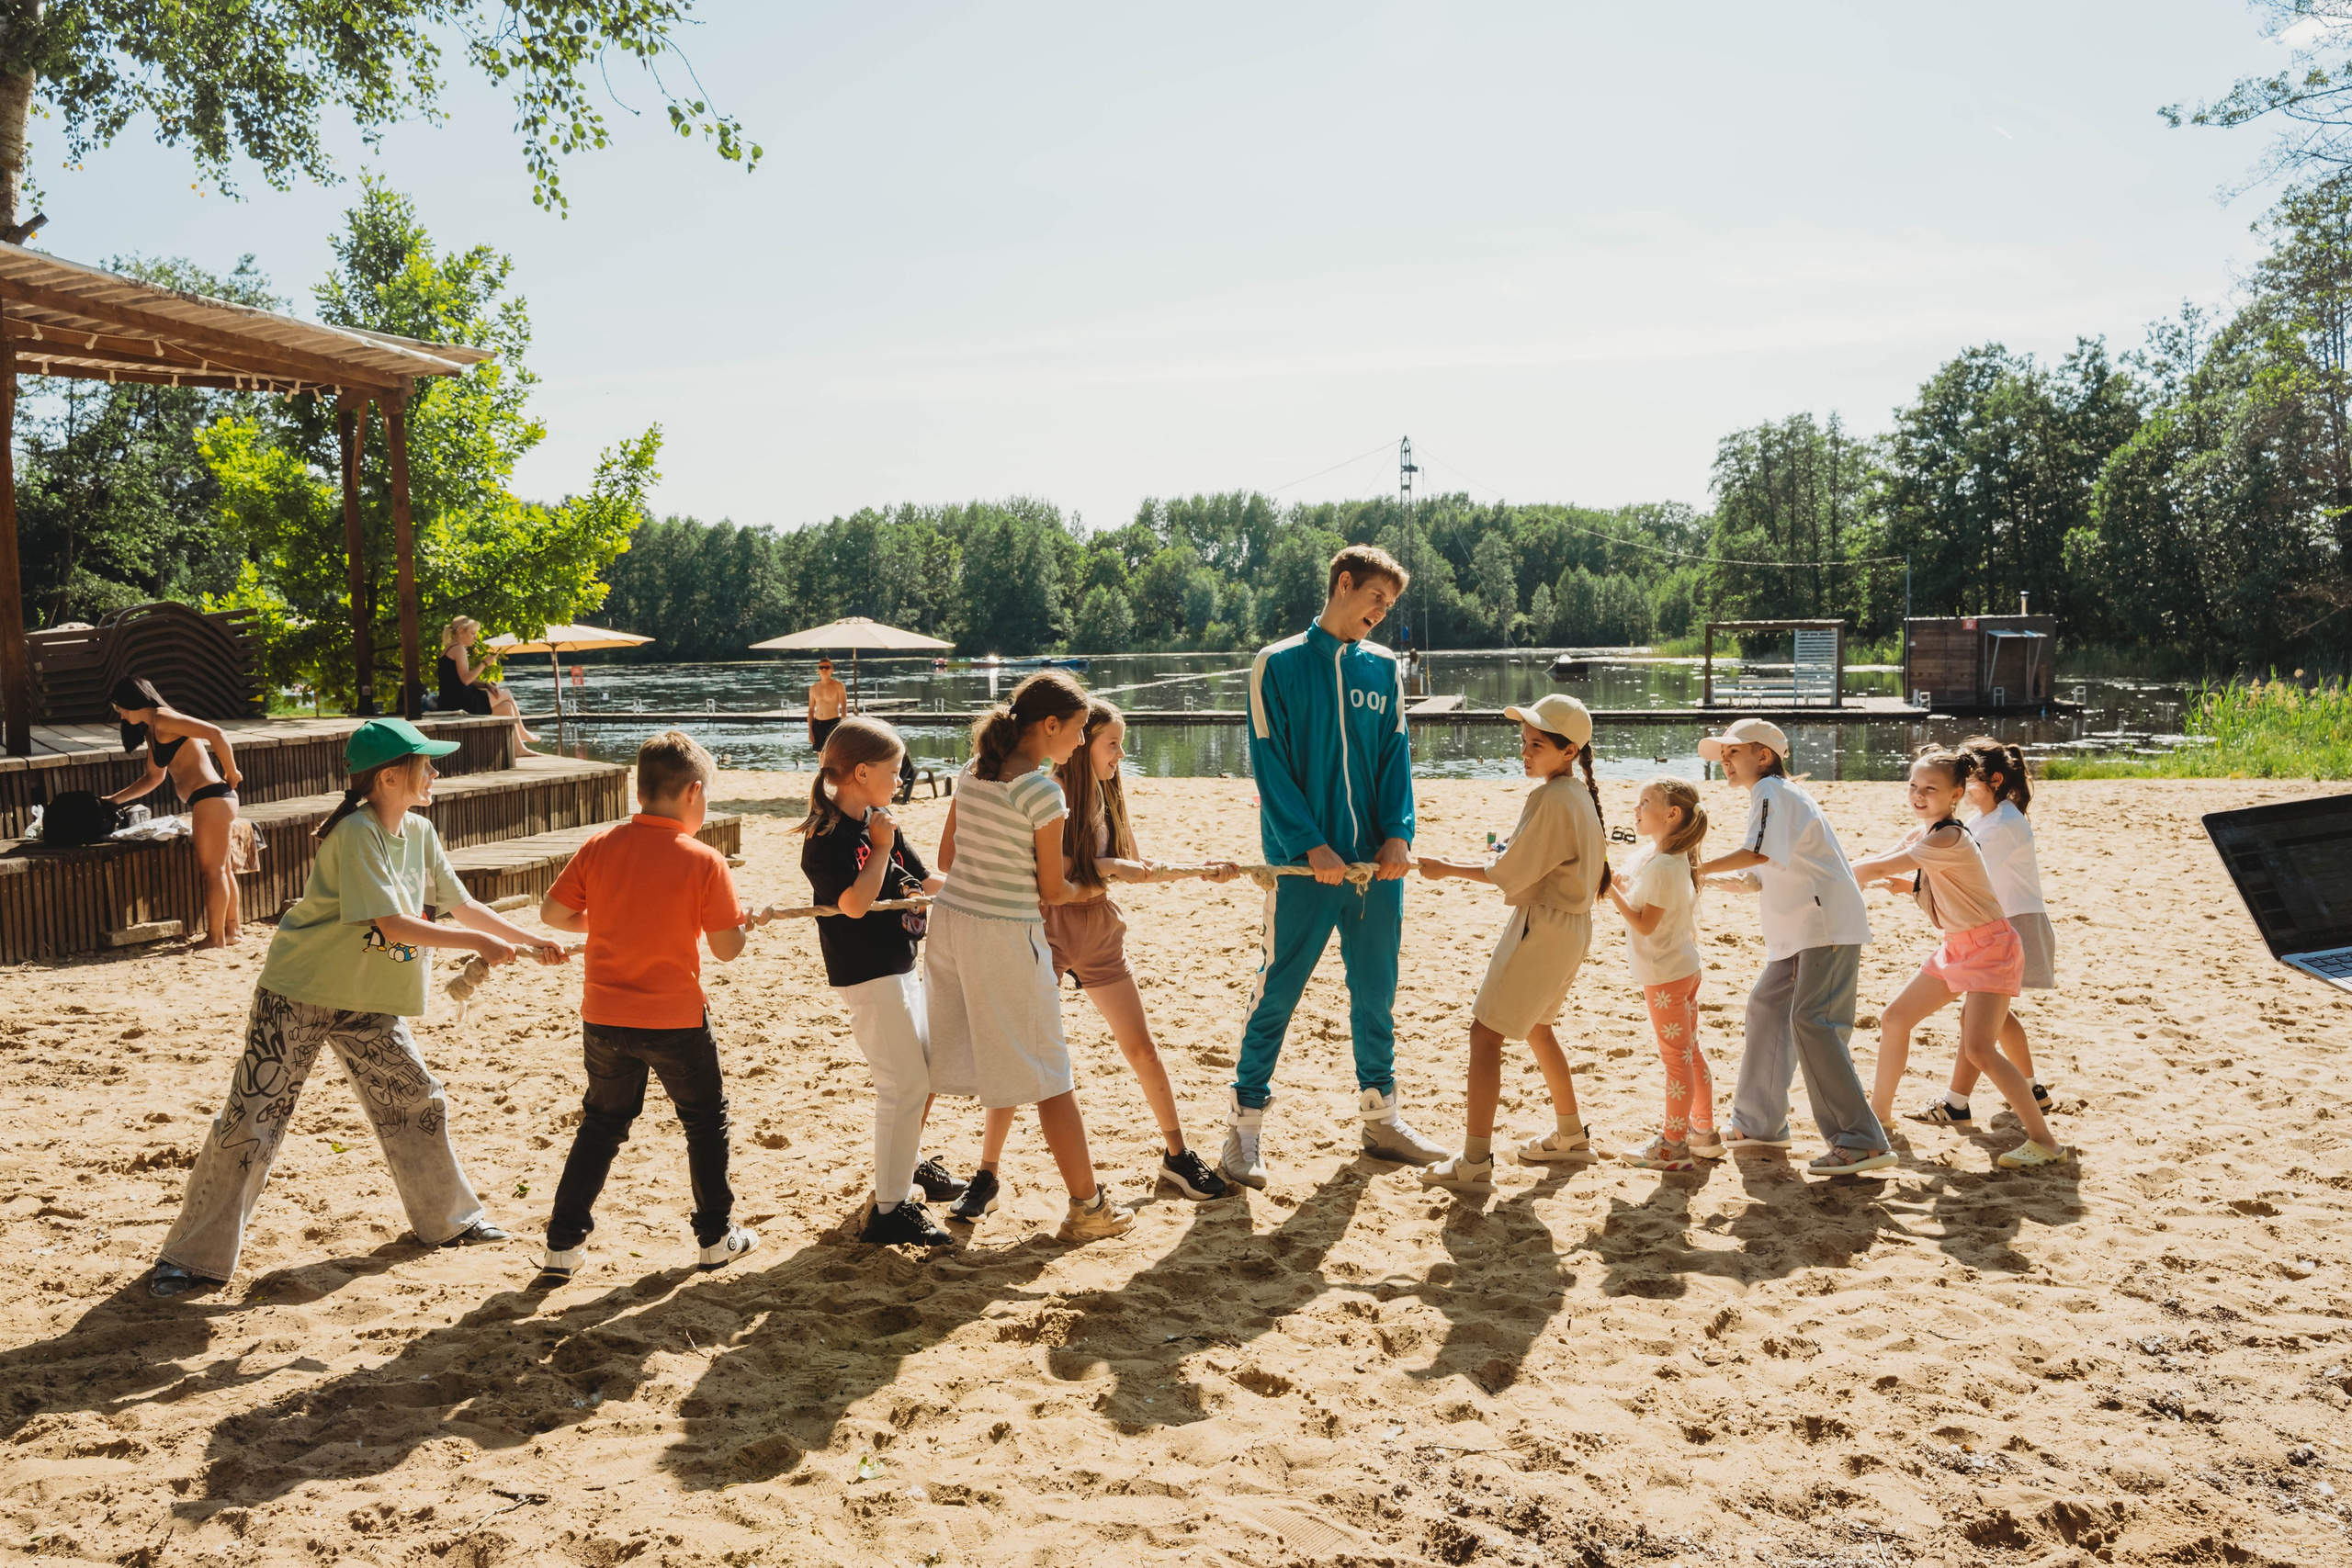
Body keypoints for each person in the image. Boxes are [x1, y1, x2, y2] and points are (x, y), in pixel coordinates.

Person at [144, 718, 565, 1300]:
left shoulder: (418, 831)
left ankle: (450, 1222)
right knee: (253, 1118)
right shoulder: (357, 834)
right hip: (300, 993)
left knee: (417, 1099)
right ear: (391, 777)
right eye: (427, 765)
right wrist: (481, 946)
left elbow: (462, 904)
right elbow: (389, 923)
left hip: (368, 1001)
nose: (436, 773)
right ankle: (191, 1260)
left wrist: (527, 940)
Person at [1220, 544, 1442, 1190]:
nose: (1383, 612)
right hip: (1303, 870)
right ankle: (1244, 1126)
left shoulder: (1383, 669)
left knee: (1376, 994)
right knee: (1278, 993)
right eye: (1377, 597)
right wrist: (1309, 843)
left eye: (1391, 604)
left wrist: (1399, 833)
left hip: (1375, 872)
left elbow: (1396, 757)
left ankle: (1382, 1118)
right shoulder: (1277, 664)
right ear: (1344, 584)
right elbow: (1269, 760)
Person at [958, 697, 1235, 1204]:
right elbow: (1056, 880)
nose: (1119, 754)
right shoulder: (1047, 793)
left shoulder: (1106, 796)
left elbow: (1133, 865)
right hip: (1046, 927)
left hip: (1098, 929)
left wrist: (1203, 869)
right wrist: (1109, 869)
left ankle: (1176, 1157)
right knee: (1021, 1056)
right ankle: (987, 1174)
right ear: (1079, 745)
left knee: (1141, 1047)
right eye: (1111, 742)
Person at [535, 731, 761, 1280]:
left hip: (605, 1017)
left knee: (602, 1124)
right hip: (675, 1019)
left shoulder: (602, 844)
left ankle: (562, 1246)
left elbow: (554, 915)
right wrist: (742, 924)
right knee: (705, 1123)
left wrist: (613, 923)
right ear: (694, 792)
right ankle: (714, 1237)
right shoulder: (704, 860)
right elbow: (728, 951)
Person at [928, 671, 1135, 1242]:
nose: (1078, 742)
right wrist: (1097, 887)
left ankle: (891, 1191)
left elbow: (949, 854)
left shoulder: (972, 771)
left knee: (934, 1058)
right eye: (1075, 731)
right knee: (1049, 1071)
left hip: (950, 924)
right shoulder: (1044, 791)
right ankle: (1088, 1208)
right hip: (1003, 937)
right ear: (1049, 726)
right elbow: (1053, 892)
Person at [1414, 694, 1611, 1194]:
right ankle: (1570, 1135)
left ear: (1569, 752)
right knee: (1540, 1028)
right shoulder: (1578, 794)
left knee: (1484, 1035)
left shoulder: (1554, 797)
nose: (1525, 752)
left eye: (1537, 744)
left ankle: (1475, 1161)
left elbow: (1506, 872)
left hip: (1545, 928)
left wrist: (1445, 869)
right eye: (1524, 742)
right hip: (1572, 927)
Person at [1695, 717, 1896, 1178]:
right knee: (1767, 1008)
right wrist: (1695, 874)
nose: (1724, 762)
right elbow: (1755, 876)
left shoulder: (1773, 793)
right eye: (1722, 755)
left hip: (1824, 926)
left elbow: (1757, 854)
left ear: (1763, 756)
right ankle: (1760, 1124)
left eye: (1733, 753)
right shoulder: (1773, 798)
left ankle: (1860, 1140)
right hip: (1800, 933)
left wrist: (1691, 862)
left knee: (1813, 1023)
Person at [1850, 746, 2067, 1169]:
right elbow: (1882, 860)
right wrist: (1900, 885)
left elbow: (1872, 869)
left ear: (1955, 794)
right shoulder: (1928, 833)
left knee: (1981, 1048)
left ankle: (2045, 1142)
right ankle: (1878, 1116)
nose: (1917, 794)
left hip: (1990, 948)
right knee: (1895, 1018)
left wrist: (1819, 872)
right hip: (1958, 946)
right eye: (1913, 786)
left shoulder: (1949, 835)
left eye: (1930, 788)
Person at [797, 716, 964, 1248]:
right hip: (865, 973)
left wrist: (987, 887)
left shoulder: (878, 819)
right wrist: (883, 847)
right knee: (904, 1083)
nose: (902, 778)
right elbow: (854, 904)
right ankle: (890, 1209)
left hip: (899, 962)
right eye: (895, 770)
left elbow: (926, 879)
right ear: (862, 772)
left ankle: (908, 1169)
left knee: (922, 1070)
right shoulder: (828, 838)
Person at [1905, 737, 2057, 1128]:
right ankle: (2030, 1088)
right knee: (1993, 1020)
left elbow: (1964, 877)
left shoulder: (2004, 823)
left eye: (1969, 780)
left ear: (1993, 779)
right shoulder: (1982, 820)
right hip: (1991, 928)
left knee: (1979, 1023)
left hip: (2013, 926)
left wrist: (1911, 882)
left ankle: (1958, 1102)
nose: (1963, 787)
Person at [1602, 776, 1719, 1172]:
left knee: (1676, 1060)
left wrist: (1607, 890)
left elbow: (1644, 923)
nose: (1636, 808)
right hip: (1681, 968)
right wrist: (1619, 883)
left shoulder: (1667, 865)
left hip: (1666, 976)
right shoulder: (1660, 856)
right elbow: (1640, 891)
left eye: (1645, 802)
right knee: (1690, 1051)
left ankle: (1672, 1145)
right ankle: (1703, 1132)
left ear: (1671, 814)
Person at [107, 675, 245, 948]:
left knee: (213, 871)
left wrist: (232, 770)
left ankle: (216, 938)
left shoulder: (164, 718)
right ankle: (233, 932)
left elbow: (216, 733)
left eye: (119, 709)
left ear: (131, 702)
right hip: (210, 800)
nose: (120, 716)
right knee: (223, 869)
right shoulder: (153, 729)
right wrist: (113, 800)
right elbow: (153, 778)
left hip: (212, 797)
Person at [437, 617, 537, 755]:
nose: (476, 637)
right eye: (473, 633)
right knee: (506, 693)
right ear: (461, 632)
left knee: (506, 708)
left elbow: (459, 678)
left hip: (453, 699)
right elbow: (466, 680)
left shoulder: (449, 649)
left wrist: (485, 684)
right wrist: (484, 663)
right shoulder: (458, 649)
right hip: (461, 701)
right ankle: (523, 731)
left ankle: (519, 748)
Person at [809, 659, 849, 753]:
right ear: (818, 670)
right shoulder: (813, 688)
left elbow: (844, 705)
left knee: (834, 752)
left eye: (826, 667)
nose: (824, 670)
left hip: (833, 722)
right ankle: (821, 769)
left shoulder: (838, 685)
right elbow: (811, 710)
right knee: (820, 755)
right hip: (818, 724)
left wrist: (843, 724)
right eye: (821, 667)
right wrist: (810, 731)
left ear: (832, 670)